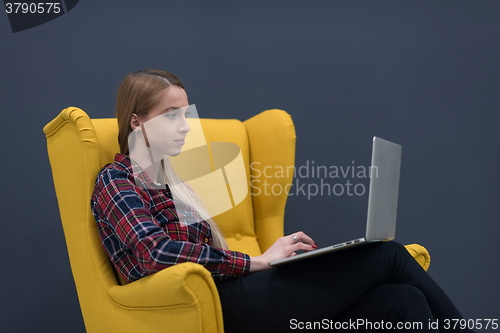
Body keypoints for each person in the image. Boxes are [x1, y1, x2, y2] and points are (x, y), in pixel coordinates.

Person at [91, 69, 473, 332]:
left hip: (235, 295)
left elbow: (205, 252)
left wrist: (270, 259)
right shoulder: (116, 179)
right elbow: (152, 253)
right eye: (171, 115)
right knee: (387, 256)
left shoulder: (175, 184)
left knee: (403, 300)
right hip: (208, 308)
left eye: (185, 113)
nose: (186, 125)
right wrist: (256, 261)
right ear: (137, 122)